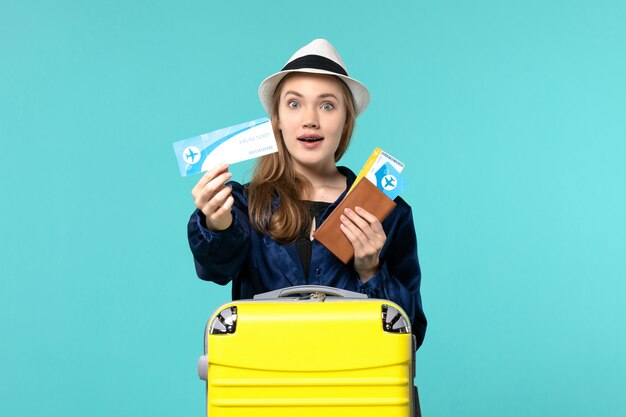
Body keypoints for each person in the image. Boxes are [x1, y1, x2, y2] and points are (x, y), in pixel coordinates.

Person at [187, 39, 427, 347]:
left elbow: (409, 336)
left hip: (353, 387)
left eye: (327, 105)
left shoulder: (388, 213)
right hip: (265, 384)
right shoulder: (244, 205)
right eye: (294, 104)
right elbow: (215, 270)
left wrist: (372, 271)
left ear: (345, 121)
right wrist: (216, 225)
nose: (310, 119)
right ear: (277, 120)